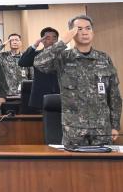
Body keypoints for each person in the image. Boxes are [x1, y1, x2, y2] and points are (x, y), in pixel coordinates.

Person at [34, 15, 121, 147]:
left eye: (88, 28)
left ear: (93, 32)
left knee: (103, 166)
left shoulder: (104, 58)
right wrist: (62, 42)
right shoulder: (63, 57)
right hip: (74, 129)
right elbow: (39, 63)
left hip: (102, 129)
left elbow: (114, 94)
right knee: (74, 167)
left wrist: (115, 124)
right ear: (72, 33)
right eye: (79, 29)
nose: (85, 32)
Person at [18, 27, 60, 110]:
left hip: (60, 95)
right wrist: (35, 45)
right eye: (48, 38)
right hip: (40, 96)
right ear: (42, 40)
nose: (52, 41)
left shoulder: (64, 54)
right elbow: (22, 62)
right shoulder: (36, 54)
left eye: (54, 38)